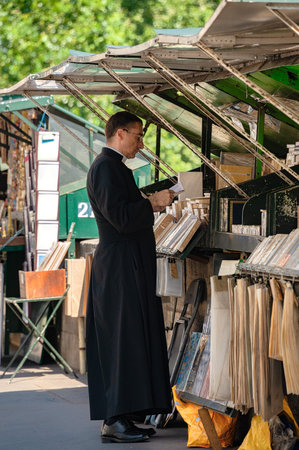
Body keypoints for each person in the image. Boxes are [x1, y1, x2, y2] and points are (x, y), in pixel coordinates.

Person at [86, 111, 174, 444]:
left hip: (127, 265)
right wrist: (151, 203)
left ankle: (129, 413)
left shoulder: (114, 167)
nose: (141, 143)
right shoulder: (106, 167)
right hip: (119, 267)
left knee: (132, 335)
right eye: (137, 136)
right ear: (120, 133)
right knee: (121, 338)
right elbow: (121, 218)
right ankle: (115, 419)